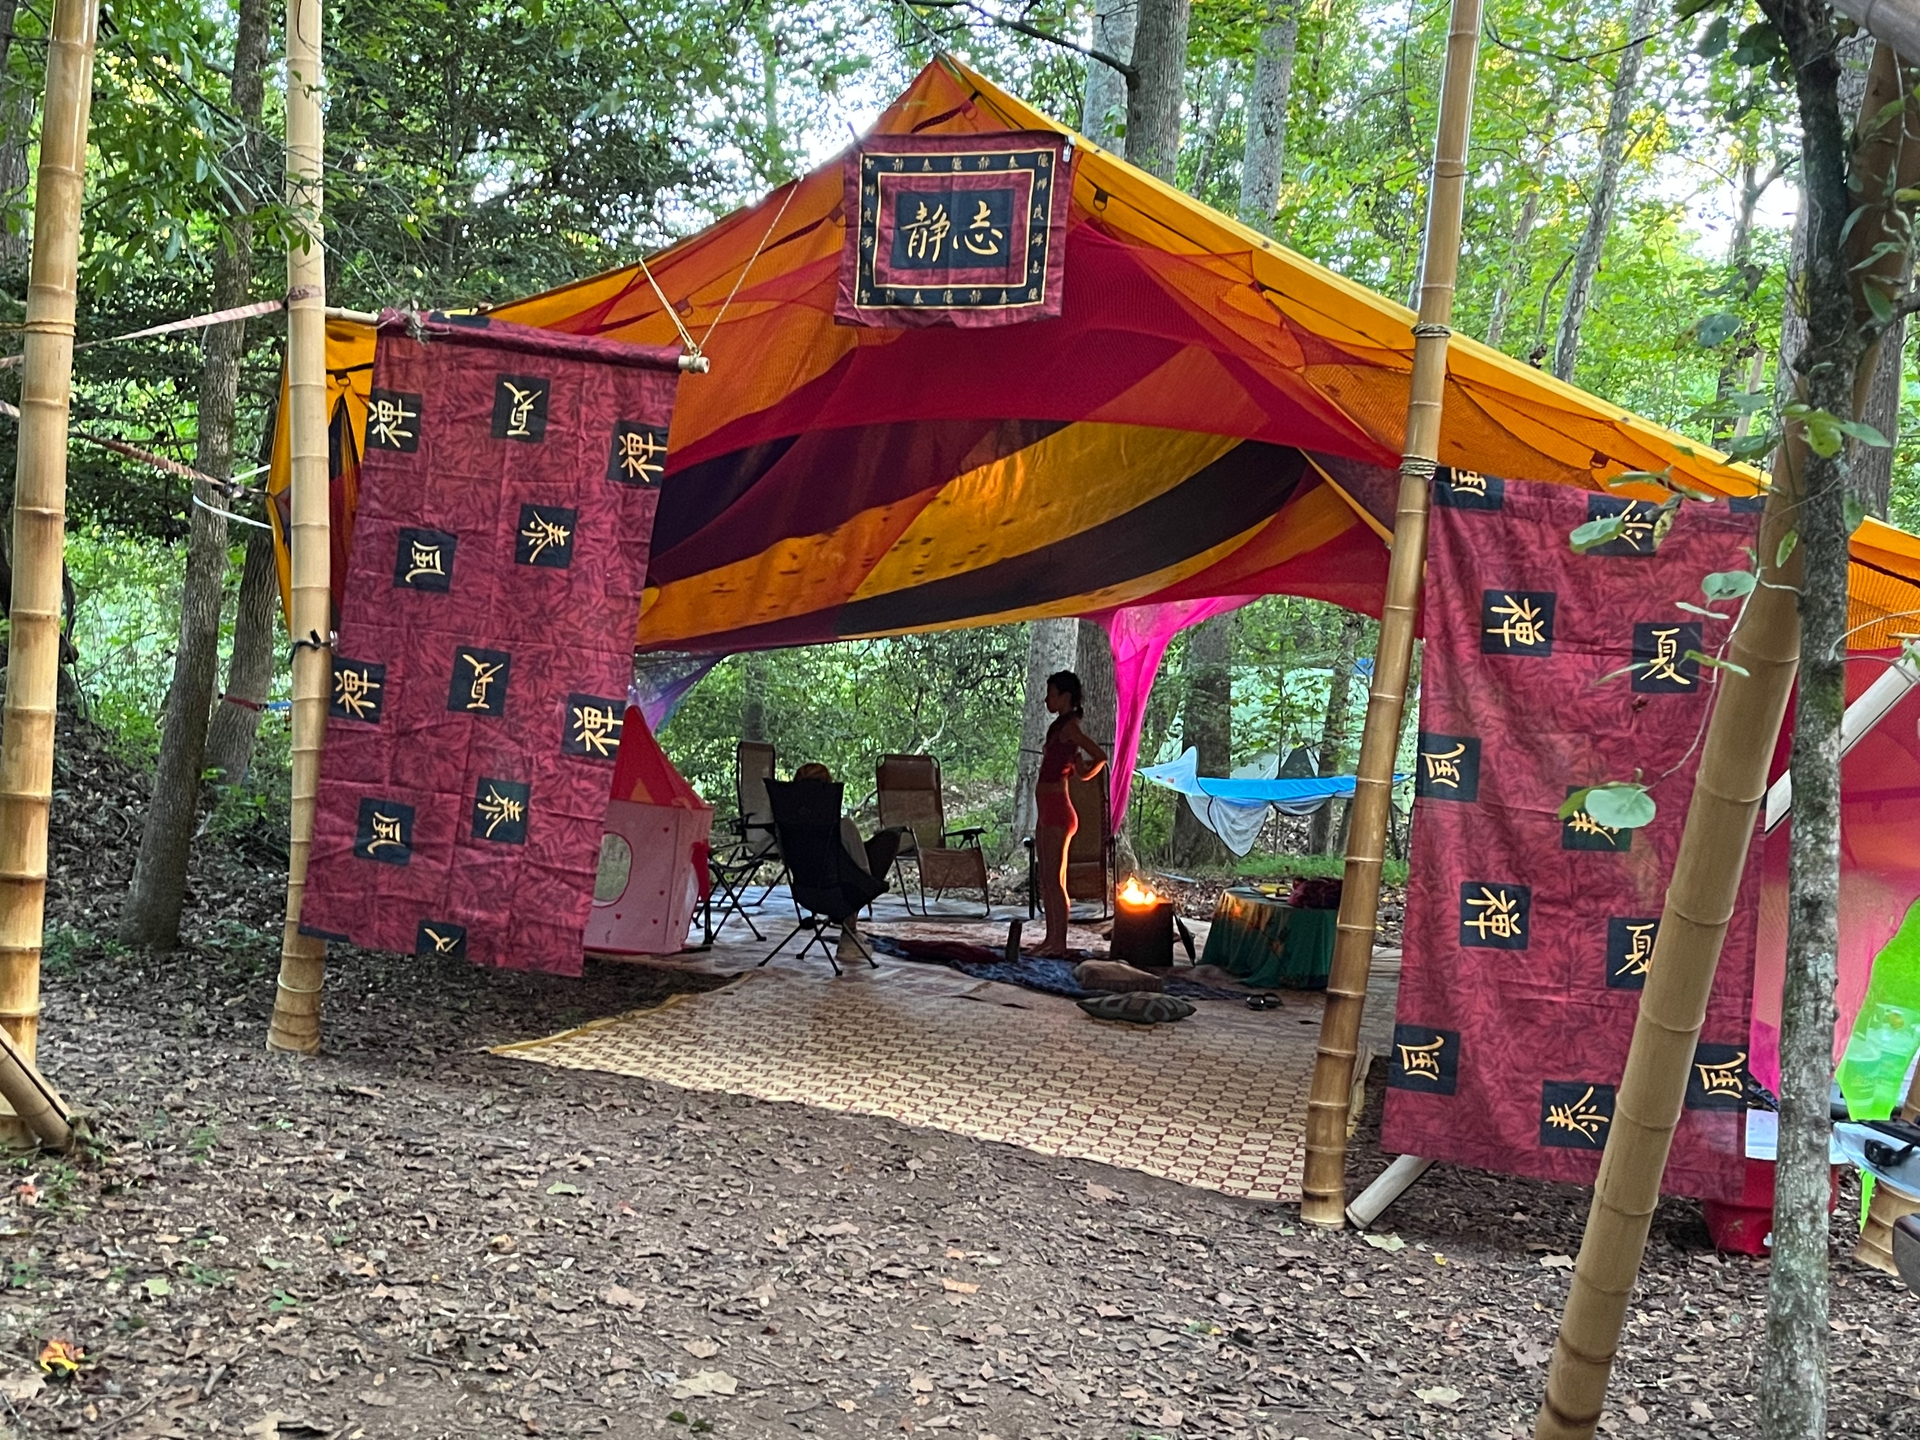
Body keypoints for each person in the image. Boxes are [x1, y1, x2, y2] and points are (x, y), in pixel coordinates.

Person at [1031, 669, 1107, 958]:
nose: (1046, 699)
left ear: (1065, 696)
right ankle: (1050, 938)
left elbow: (1100, 756)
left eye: (1051, 693)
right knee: (1047, 879)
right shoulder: (1060, 728)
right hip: (1047, 810)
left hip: (1058, 811)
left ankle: (1059, 942)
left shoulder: (1071, 728)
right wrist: (1077, 764)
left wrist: (1091, 765)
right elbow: (1082, 771)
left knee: (1054, 880)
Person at [792, 762, 904, 955]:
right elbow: (863, 869)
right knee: (889, 838)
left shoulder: (787, 828)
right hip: (840, 896)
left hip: (804, 892)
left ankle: (849, 929)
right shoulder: (843, 826)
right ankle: (849, 930)